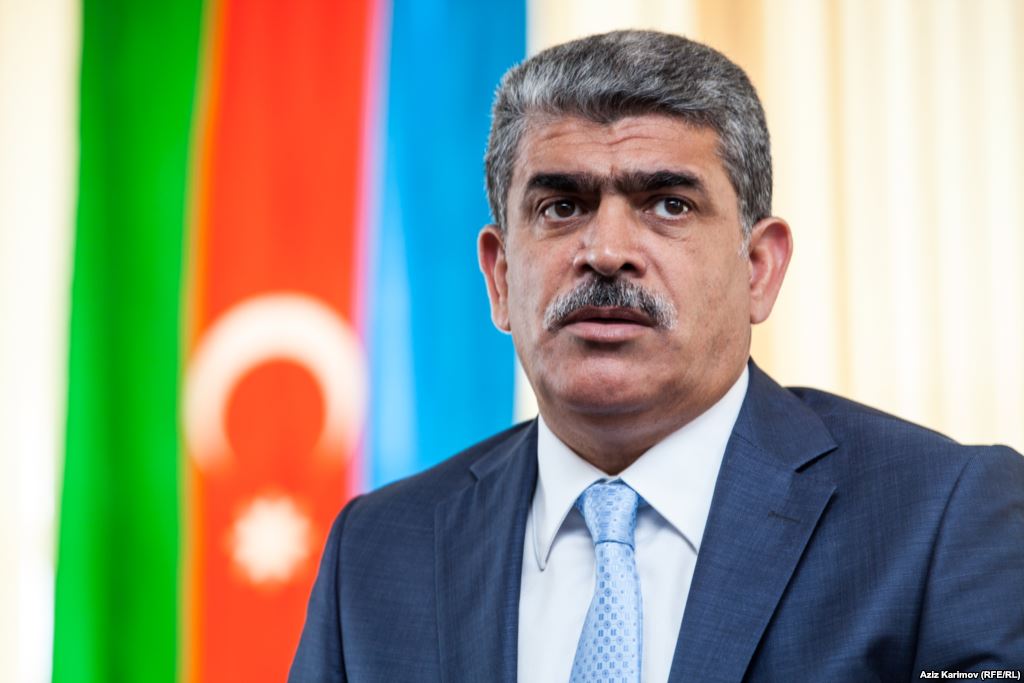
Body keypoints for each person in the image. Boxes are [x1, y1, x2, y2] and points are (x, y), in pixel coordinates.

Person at [290, 30, 1024, 682]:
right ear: (501, 277)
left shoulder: (942, 517)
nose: (607, 251)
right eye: (561, 207)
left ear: (759, 269)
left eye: (669, 203)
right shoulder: (377, 553)